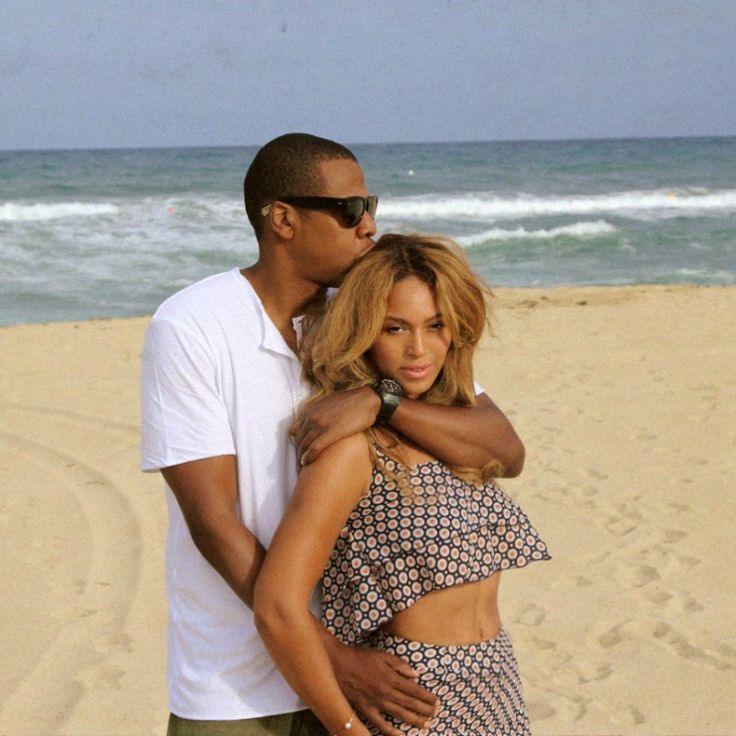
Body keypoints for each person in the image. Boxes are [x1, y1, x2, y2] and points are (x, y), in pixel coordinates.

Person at [140, 133, 525, 735]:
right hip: (239, 682)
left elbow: (498, 443)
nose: (368, 224)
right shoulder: (194, 325)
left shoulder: (369, 318)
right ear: (283, 219)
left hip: (373, 665)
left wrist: (382, 399)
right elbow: (214, 523)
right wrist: (332, 657)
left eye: (371, 205)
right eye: (350, 210)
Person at [254, 234, 550, 735]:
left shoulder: (453, 419)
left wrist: (383, 399)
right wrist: (348, 728)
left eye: (435, 326)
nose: (419, 349)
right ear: (365, 332)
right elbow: (277, 606)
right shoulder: (352, 450)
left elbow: (510, 453)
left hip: (495, 679)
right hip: (412, 690)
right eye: (395, 329)